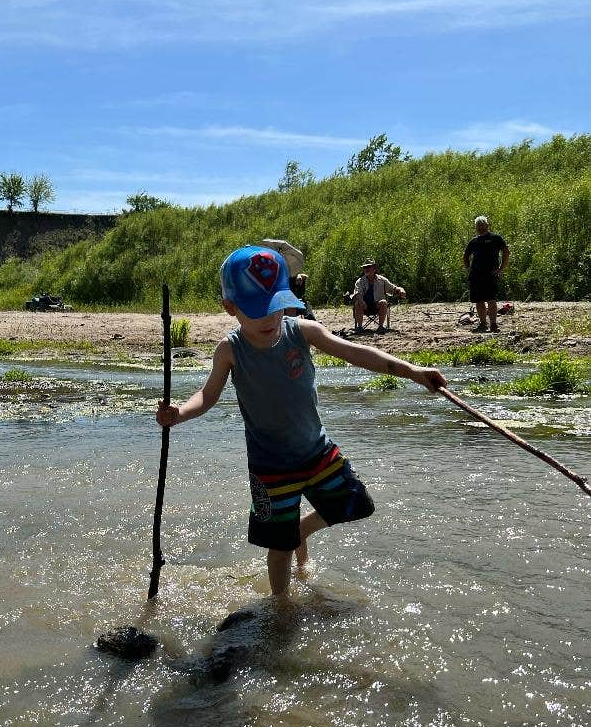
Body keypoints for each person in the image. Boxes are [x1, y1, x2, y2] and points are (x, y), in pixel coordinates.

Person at [155, 245, 445, 598]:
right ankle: (280, 606)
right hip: (270, 466)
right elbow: (207, 396)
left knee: (354, 503)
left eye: (275, 307)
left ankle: (302, 531)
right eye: (257, 310)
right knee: (279, 544)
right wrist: (179, 414)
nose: (270, 318)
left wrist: (411, 371)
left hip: (316, 451)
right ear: (230, 308)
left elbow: (358, 353)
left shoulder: (303, 331)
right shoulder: (230, 350)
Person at [463, 216, 510, 332]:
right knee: (479, 301)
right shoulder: (474, 241)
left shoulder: (496, 238)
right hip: (476, 275)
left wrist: (501, 269)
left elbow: (506, 252)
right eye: (478, 225)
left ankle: (493, 324)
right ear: (475, 227)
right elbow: (465, 256)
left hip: (490, 275)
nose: (480, 227)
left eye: (482, 224)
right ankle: (483, 323)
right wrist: (469, 269)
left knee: (491, 299)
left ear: (487, 225)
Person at [262, 238, 316, 319]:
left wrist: (299, 277)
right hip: (273, 299)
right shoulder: (266, 271)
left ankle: (309, 322)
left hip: (288, 297)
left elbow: (296, 280)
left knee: (298, 302)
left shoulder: (288, 270)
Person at [351, 259, 406, 333]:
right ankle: (360, 328)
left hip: (377, 305)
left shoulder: (382, 280)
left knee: (383, 302)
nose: (366, 269)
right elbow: (357, 293)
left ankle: (381, 327)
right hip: (364, 306)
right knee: (358, 303)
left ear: (374, 269)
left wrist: (401, 290)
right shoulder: (360, 281)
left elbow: (394, 289)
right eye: (365, 267)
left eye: (368, 267)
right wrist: (361, 301)